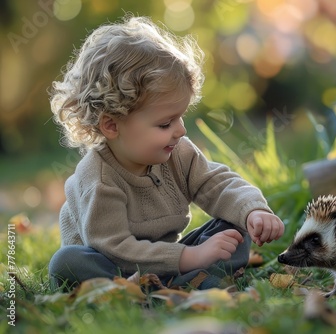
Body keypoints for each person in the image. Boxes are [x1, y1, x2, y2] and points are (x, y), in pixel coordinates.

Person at [48, 15, 284, 290]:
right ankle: (157, 287)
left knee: (233, 230)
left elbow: (215, 183)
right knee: (67, 262)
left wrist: (252, 211)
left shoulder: (177, 153)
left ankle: (179, 282)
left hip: (170, 260)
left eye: (180, 117)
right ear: (111, 124)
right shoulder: (98, 179)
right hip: (114, 267)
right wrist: (191, 256)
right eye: (165, 124)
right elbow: (116, 249)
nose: (180, 130)